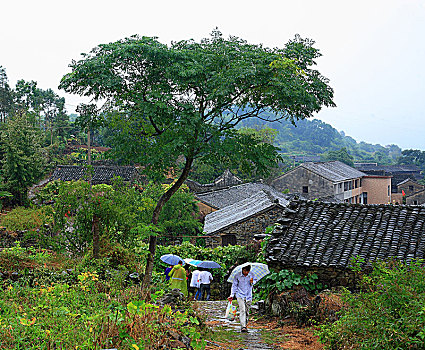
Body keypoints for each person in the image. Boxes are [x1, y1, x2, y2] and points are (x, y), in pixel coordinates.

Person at [227, 265, 257, 333]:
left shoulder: (251, 275)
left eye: (247, 271)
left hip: (248, 295)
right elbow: (234, 285)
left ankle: (245, 324)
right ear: (242, 270)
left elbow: (254, 281)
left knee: (246, 311)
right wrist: (232, 295)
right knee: (242, 310)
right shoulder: (237, 275)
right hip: (239, 294)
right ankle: (243, 326)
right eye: (245, 271)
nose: (246, 272)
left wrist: (252, 282)